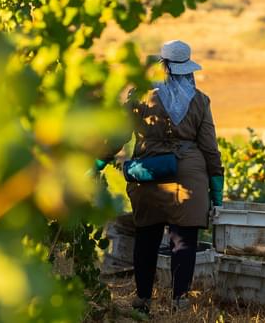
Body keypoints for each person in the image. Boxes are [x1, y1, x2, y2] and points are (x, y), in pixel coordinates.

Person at [95, 40, 224, 313]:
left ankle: (142, 300)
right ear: (188, 70)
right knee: (184, 241)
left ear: (163, 66)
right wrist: (217, 184)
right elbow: (210, 148)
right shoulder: (200, 100)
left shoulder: (140, 97)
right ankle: (179, 301)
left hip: (150, 172)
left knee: (147, 238)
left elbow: (118, 136)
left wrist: (98, 162)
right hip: (189, 176)